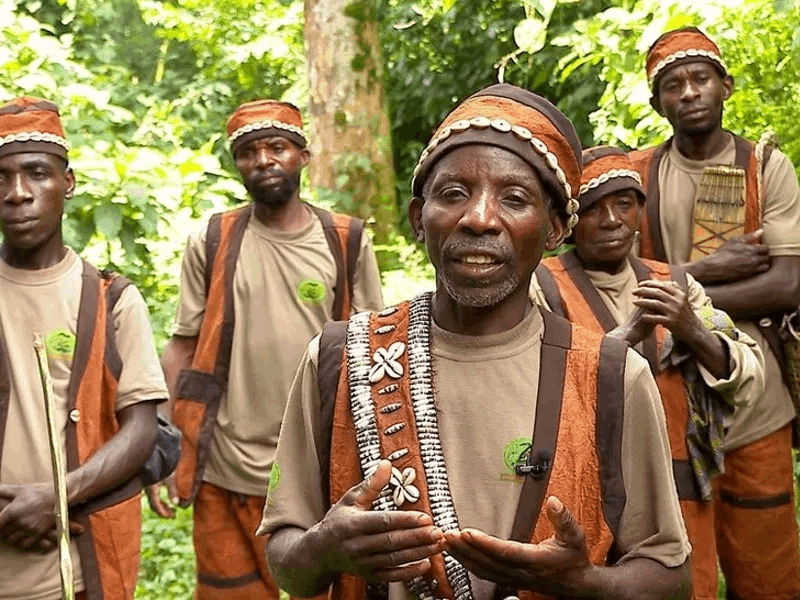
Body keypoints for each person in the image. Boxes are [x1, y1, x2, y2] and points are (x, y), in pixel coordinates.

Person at [260, 84, 691, 600]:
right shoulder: (342, 357)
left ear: (555, 228)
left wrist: (584, 582)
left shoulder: (610, 375)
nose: (479, 218)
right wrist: (324, 549)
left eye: (514, 198)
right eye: (453, 194)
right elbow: (287, 561)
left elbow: (671, 575)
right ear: (420, 219)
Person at [148, 99, 384, 599]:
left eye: (277, 147)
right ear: (237, 164)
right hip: (225, 464)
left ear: (303, 155)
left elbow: (373, 348)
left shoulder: (345, 240)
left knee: (321, 589)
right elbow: (183, 346)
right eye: (249, 151)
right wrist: (160, 445)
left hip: (317, 470)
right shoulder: (213, 239)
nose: (263, 160)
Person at [531, 146, 763, 600]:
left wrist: (693, 329)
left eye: (624, 204)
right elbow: (534, 383)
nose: (613, 220)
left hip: (677, 489)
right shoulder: (542, 284)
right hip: (582, 489)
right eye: (595, 208)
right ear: (569, 221)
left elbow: (749, 376)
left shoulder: (674, 282)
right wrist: (626, 335)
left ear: (641, 210)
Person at [629, 27, 800, 600]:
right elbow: (614, 282)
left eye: (701, 79)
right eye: (672, 85)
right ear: (657, 103)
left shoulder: (764, 167)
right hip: (666, 398)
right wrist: (716, 266)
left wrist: (679, 290)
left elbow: (787, 282)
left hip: (757, 401)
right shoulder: (638, 178)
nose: (690, 92)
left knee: (769, 564)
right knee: (682, 562)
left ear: (725, 85)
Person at [0, 97, 167, 599]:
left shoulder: (112, 299)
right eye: (1, 178)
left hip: (79, 567)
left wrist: (56, 497)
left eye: (37, 174)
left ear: (67, 183)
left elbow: (141, 428)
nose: (18, 194)